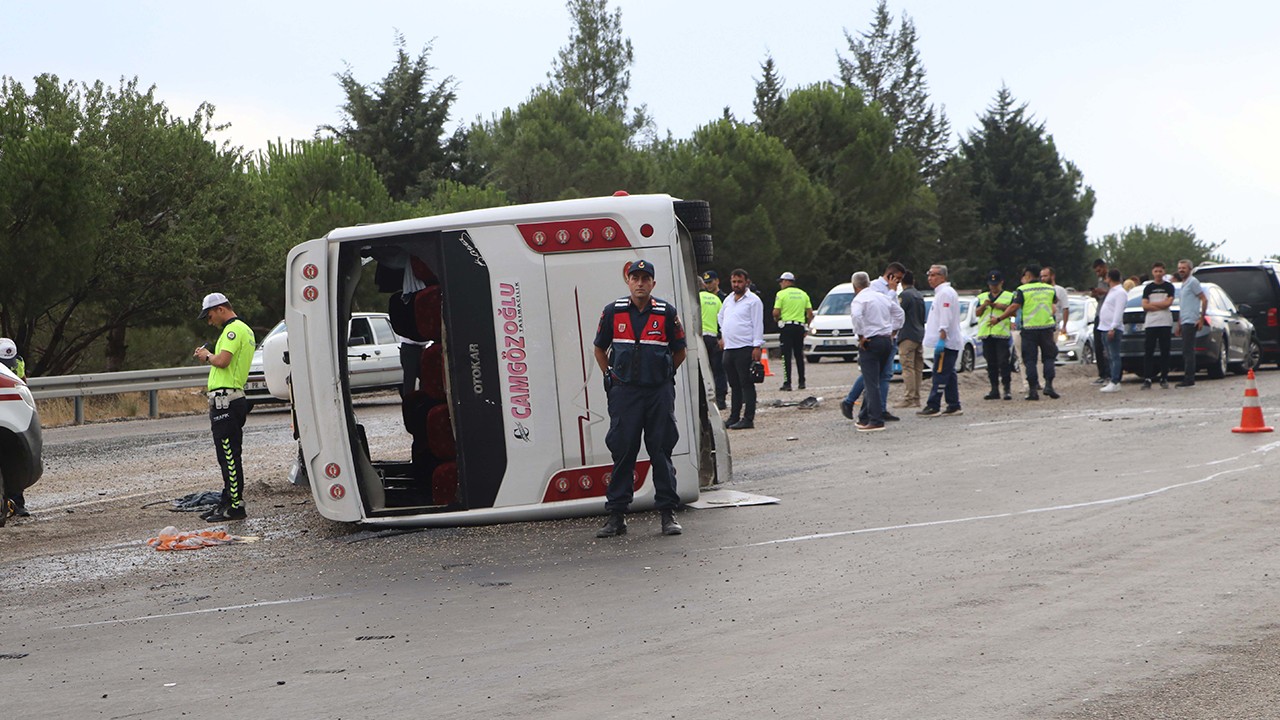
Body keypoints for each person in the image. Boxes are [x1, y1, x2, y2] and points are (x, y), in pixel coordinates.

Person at [592, 259, 687, 538]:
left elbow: (679, 351)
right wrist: (611, 377)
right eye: (635, 278)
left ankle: (668, 514)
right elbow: (599, 349)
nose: (640, 283)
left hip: (658, 393)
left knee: (661, 451)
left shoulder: (666, 313)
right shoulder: (613, 311)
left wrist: (665, 374)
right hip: (625, 394)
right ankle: (617, 516)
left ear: (653, 283)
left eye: (646, 278)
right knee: (623, 452)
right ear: (628, 281)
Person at [193, 293, 256, 522]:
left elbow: (223, 361)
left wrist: (207, 355)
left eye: (209, 316)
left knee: (228, 455)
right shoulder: (244, 330)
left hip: (226, 402)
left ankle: (236, 507)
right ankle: (228, 500)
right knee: (229, 454)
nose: (209, 321)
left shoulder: (233, 330)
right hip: (232, 399)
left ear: (220, 309)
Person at [989, 265, 1059, 400]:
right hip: (1046, 328)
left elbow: (1014, 307)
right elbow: (1054, 301)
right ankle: (1049, 385)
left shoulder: (1022, 290)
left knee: (1030, 360)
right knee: (1049, 358)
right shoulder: (1049, 288)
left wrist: (999, 319)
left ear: (1027, 275)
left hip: (1029, 328)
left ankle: (1032, 390)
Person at [850, 271, 904, 432]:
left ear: (855, 286)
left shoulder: (859, 299)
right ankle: (865, 417)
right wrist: (893, 331)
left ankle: (876, 419)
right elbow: (899, 313)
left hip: (871, 341)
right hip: (886, 341)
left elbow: (857, 317)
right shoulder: (882, 297)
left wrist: (861, 336)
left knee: (871, 382)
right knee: (878, 378)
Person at [717, 268, 764, 430]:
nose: (736, 285)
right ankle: (734, 416)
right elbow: (721, 316)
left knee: (746, 384)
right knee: (734, 385)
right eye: (734, 281)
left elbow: (758, 323)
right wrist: (724, 334)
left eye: (739, 281)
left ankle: (748, 418)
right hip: (730, 347)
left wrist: (757, 345)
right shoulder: (728, 299)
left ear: (747, 282)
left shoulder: (753, 300)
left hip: (745, 347)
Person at [919, 264, 963, 417]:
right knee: (949, 374)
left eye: (934, 275)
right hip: (947, 341)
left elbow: (945, 317)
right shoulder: (942, 293)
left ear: (943, 277)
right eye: (929, 274)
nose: (930, 278)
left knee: (939, 373)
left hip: (947, 341)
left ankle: (934, 405)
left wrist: (942, 339)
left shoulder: (945, 293)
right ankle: (953, 404)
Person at [0, 337, 31, 517]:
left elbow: (23, 382)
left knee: (12, 457)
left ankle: (16, 504)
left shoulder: (17, 362)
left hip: (9, 416)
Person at [975, 270, 1015, 400]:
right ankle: (994, 389)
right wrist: (984, 306)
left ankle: (1007, 389)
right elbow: (977, 313)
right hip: (987, 334)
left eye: (996, 284)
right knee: (990, 363)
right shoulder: (982, 297)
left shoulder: (1009, 296)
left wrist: (1001, 307)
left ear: (1001, 282)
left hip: (1001, 334)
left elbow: (1014, 312)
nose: (993, 286)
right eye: (991, 284)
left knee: (1004, 362)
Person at [773, 271, 814, 391]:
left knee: (786, 356)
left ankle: (787, 382)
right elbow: (810, 313)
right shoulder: (803, 294)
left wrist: (777, 319)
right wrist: (806, 326)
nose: (780, 284)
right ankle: (802, 382)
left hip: (786, 327)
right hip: (799, 327)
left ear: (786, 281)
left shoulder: (781, 294)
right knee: (799, 355)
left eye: (781, 281)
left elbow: (776, 312)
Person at [1141, 261, 1176, 389]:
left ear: (1164, 272)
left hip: (1165, 322)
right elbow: (1144, 305)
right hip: (1151, 323)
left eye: (1160, 271)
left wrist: (1153, 306)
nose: (1158, 274)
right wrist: (1158, 305)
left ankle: (1164, 377)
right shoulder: (1148, 288)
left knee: (1165, 350)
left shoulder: (1169, 287)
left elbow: (1168, 303)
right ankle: (1147, 378)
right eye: (1156, 271)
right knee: (1149, 351)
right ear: (1152, 272)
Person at [895, 270, 926, 408]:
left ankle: (909, 398)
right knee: (918, 367)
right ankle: (917, 397)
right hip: (919, 333)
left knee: (907, 367)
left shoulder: (904, 296)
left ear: (902, 282)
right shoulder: (919, 295)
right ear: (913, 281)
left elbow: (898, 313)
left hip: (907, 334)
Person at [1174, 258, 1208, 387]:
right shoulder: (1184, 283)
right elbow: (1183, 305)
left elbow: (1204, 299)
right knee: (1185, 350)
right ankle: (1188, 376)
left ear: (1190, 269)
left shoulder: (1193, 282)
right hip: (1184, 320)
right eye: (1179, 268)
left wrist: (1201, 318)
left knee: (1188, 351)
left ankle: (1189, 378)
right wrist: (1179, 324)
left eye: (1184, 268)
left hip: (1191, 321)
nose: (1181, 270)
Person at [698, 275, 727, 408]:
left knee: (701, 370)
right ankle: (720, 400)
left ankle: (704, 401)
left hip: (700, 338)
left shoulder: (695, 299)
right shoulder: (716, 299)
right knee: (718, 370)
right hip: (714, 338)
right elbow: (723, 320)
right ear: (704, 285)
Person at [1098, 269, 1127, 393]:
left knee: (1114, 355)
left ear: (1109, 278)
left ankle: (1115, 380)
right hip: (1104, 327)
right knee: (1109, 355)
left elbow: (1118, 311)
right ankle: (1112, 378)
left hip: (1112, 328)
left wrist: (1113, 327)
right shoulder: (1112, 291)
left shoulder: (1120, 292)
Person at [1089, 259, 1111, 384]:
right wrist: (1096, 295)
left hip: (1108, 316)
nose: (1098, 273)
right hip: (1099, 314)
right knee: (1098, 345)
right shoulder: (1100, 281)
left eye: (1099, 270)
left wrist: (1105, 292)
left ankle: (1109, 373)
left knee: (1106, 346)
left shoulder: (1112, 278)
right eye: (1096, 272)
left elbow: (1117, 293)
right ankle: (1102, 373)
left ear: (1104, 267)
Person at [1040, 266, 1070, 335]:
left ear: (1052, 276)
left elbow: (1065, 308)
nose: (1042, 278)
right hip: (1041, 325)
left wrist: (1064, 326)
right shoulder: (1040, 290)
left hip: (1055, 326)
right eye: (1041, 276)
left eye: (1045, 276)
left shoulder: (1060, 290)